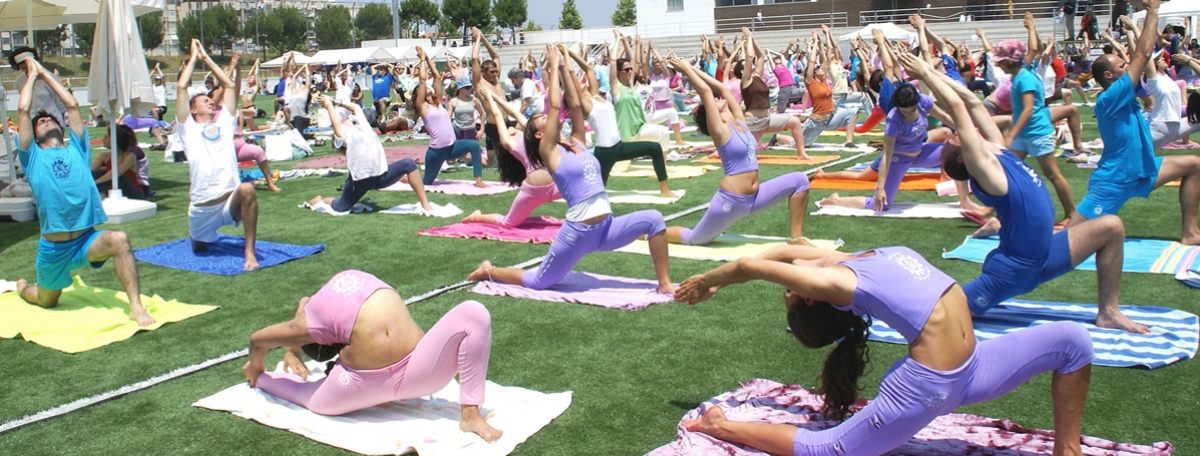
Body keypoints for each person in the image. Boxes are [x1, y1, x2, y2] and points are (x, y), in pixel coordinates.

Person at [673, 244, 1094, 456]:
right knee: (829, 450)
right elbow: (754, 267)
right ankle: (719, 426)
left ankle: (1067, 450)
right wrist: (712, 282)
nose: (791, 279)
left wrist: (709, 282)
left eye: (789, 289)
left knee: (1072, 342)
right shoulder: (840, 282)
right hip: (930, 385)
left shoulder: (846, 264)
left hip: (974, 367)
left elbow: (775, 255)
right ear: (815, 296)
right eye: (791, 288)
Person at [899, 52, 1148, 333]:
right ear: (962, 158)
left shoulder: (997, 148)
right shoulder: (984, 168)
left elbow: (968, 101)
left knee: (1112, 227)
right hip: (1013, 272)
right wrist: (925, 73)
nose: (953, 134)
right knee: (935, 319)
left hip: (1046, 254)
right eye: (953, 140)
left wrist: (931, 75)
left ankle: (1109, 312)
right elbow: (957, 107)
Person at [467, 44, 673, 295]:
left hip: (605, 229)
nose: (543, 115)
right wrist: (553, 68)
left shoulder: (577, 143)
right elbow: (554, 107)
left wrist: (566, 68)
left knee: (654, 219)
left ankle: (664, 283)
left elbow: (574, 107)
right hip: (577, 234)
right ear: (540, 134)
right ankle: (490, 270)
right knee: (538, 282)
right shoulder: (549, 153)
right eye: (538, 119)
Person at [243, 270, 502, 442]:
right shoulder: (325, 301)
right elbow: (299, 316)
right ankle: (265, 380)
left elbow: (259, 340)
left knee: (474, 314)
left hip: (413, 370)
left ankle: (470, 416)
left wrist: (256, 367)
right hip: (392, 377)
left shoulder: (310, 324)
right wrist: (292, 351)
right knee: (474, 311)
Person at [13, 58, 155, 327]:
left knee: (120, 239)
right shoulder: (32, 157)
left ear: (60, 127)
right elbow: (23, 109)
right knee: (47, 301)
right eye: (39, 121)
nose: (44, 120)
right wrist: (32, 76)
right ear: (34, 135)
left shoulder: (77, 148)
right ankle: (22, 287)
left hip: (85, 240)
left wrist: (45, 73)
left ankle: (136, 306)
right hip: (53, 249)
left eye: (48, 118)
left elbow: (72, 105)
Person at [1077, 0, 1200, 245]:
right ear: (1110, 76)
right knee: (1069, 240)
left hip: (1142, 170)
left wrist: (1136, 29)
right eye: (1123, 66)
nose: (1129, 66)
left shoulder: (1127, 91)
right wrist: (1153, 10)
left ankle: (1190, 233)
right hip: (1116, 177)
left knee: (1194, 165)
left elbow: (1141, 55)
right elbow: (1142, 55)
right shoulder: (1109, 97)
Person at [665, 56, 811, 247]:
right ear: (710, 114)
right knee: (693, 239)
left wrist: (690, 69)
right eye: (712, 103)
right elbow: (706, 91)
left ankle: (796, 238)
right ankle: (649, 232)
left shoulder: (740, 122)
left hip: (755, 198)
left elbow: (722, 89)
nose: (719, 98)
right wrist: (686, 69)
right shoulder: (720, 131)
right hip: (731, 201)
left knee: (800, 180)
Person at [176, 40, 261, 271]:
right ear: (193, 110)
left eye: (210, 100)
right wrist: (194, 58)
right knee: (199, 248)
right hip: (202, 207)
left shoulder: (224, 122)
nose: (210, 103)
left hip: (228, 201)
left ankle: (249, 251)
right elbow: (181, 88)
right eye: (204, 101)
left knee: (248, 189)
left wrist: (208, 58)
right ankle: (204, 236)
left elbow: (229, 86)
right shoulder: (188, 128)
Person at [564, 44, 677, 197]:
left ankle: (665, 190)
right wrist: (565, 55)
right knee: (596, 191)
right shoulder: (585, 103)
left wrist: (571, 52)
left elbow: (589, 70)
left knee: (655, 148)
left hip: (620, 146)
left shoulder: (596, 96)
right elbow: (570, 72)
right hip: (605, 152)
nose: (582, 81)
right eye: (579, 82)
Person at [994, 22, 1076, 224]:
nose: (998, 65)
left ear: (1010, 61)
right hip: (1024, 134)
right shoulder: (1021, 73)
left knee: (1052, 174)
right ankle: (1000, 212)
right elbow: (1032, 49)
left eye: (1001, 61)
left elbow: (1029, 109)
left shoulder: (1025, 79)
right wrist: (1030, 28)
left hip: (1037, 132)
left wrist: (1012, 134)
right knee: (1009, 171)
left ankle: (1072, 214)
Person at [307, 94, 434, 213]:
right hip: (360, 181)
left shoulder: (364, 126)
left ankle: (425, 205)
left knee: (409, 163)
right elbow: (335, 121)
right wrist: (328, 105)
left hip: (381, 175)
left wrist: (335, 100)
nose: (349, 117)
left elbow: (356, 107)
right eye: (345, 118)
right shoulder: (343, 134)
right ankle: (320, 200)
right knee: (340, 207)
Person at [462, 90, 562, 226]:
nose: (511, 128)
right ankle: (476, 217)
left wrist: (495, 96)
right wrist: (490, 99)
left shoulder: (536, 135)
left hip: (557, 185)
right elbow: (497, 115)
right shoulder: (511, 143)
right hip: (534, 189)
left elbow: (515, 113)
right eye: (542, 118)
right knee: (508, 222)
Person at [413, 47, 487, 188]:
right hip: (436, 152)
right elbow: (423, 80)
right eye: (423, 89)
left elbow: (436, 77)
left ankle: (478, 180)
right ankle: (406, 178)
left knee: (474, 145)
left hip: (451, 148)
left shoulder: (438, 103)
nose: (428, 88)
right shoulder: (422, 106)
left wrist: (428, 59)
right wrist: (421, 59)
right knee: (426, 182)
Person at [471, 26, 509, 165]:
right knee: (491, 162)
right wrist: (477, 40)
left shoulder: (497, 80)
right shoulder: (480, 83)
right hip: (493, 126)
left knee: (508, 156)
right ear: (483, 72)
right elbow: (474, 60)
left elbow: (496, 56)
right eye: (491, 72)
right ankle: (469, 158)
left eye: (495, 71)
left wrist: (484, 38)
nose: (495, 74)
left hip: (505, 123)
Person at [8, 46, 68, 127]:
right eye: (21, 62)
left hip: (52, 119)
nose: (25, 64)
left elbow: (60, 101)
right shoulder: (19, 81)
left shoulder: (50, 77)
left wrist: (65, 120)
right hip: (32, 122)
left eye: (27, 61)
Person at [93, 125, 147, 199]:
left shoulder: (130, 156)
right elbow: (89, 170)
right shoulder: (104, 156)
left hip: (132, 193)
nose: (103, 140)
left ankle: (100, 198)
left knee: (117, 178)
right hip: (112, 190)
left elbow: (117, 172)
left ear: (116, 140)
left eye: (106, 137)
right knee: (94, 174)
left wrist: (94, 183)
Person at [449, 77, 485, 142]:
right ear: (460, 88)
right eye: (467, 87)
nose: (470, 89)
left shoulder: (473, 100)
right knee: (459, 151)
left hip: (471, 130)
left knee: (472, 150)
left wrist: (481, 130)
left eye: (470, 87)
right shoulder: (453, 101)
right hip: (457, 130)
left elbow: (482, 114)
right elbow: (448, 118)